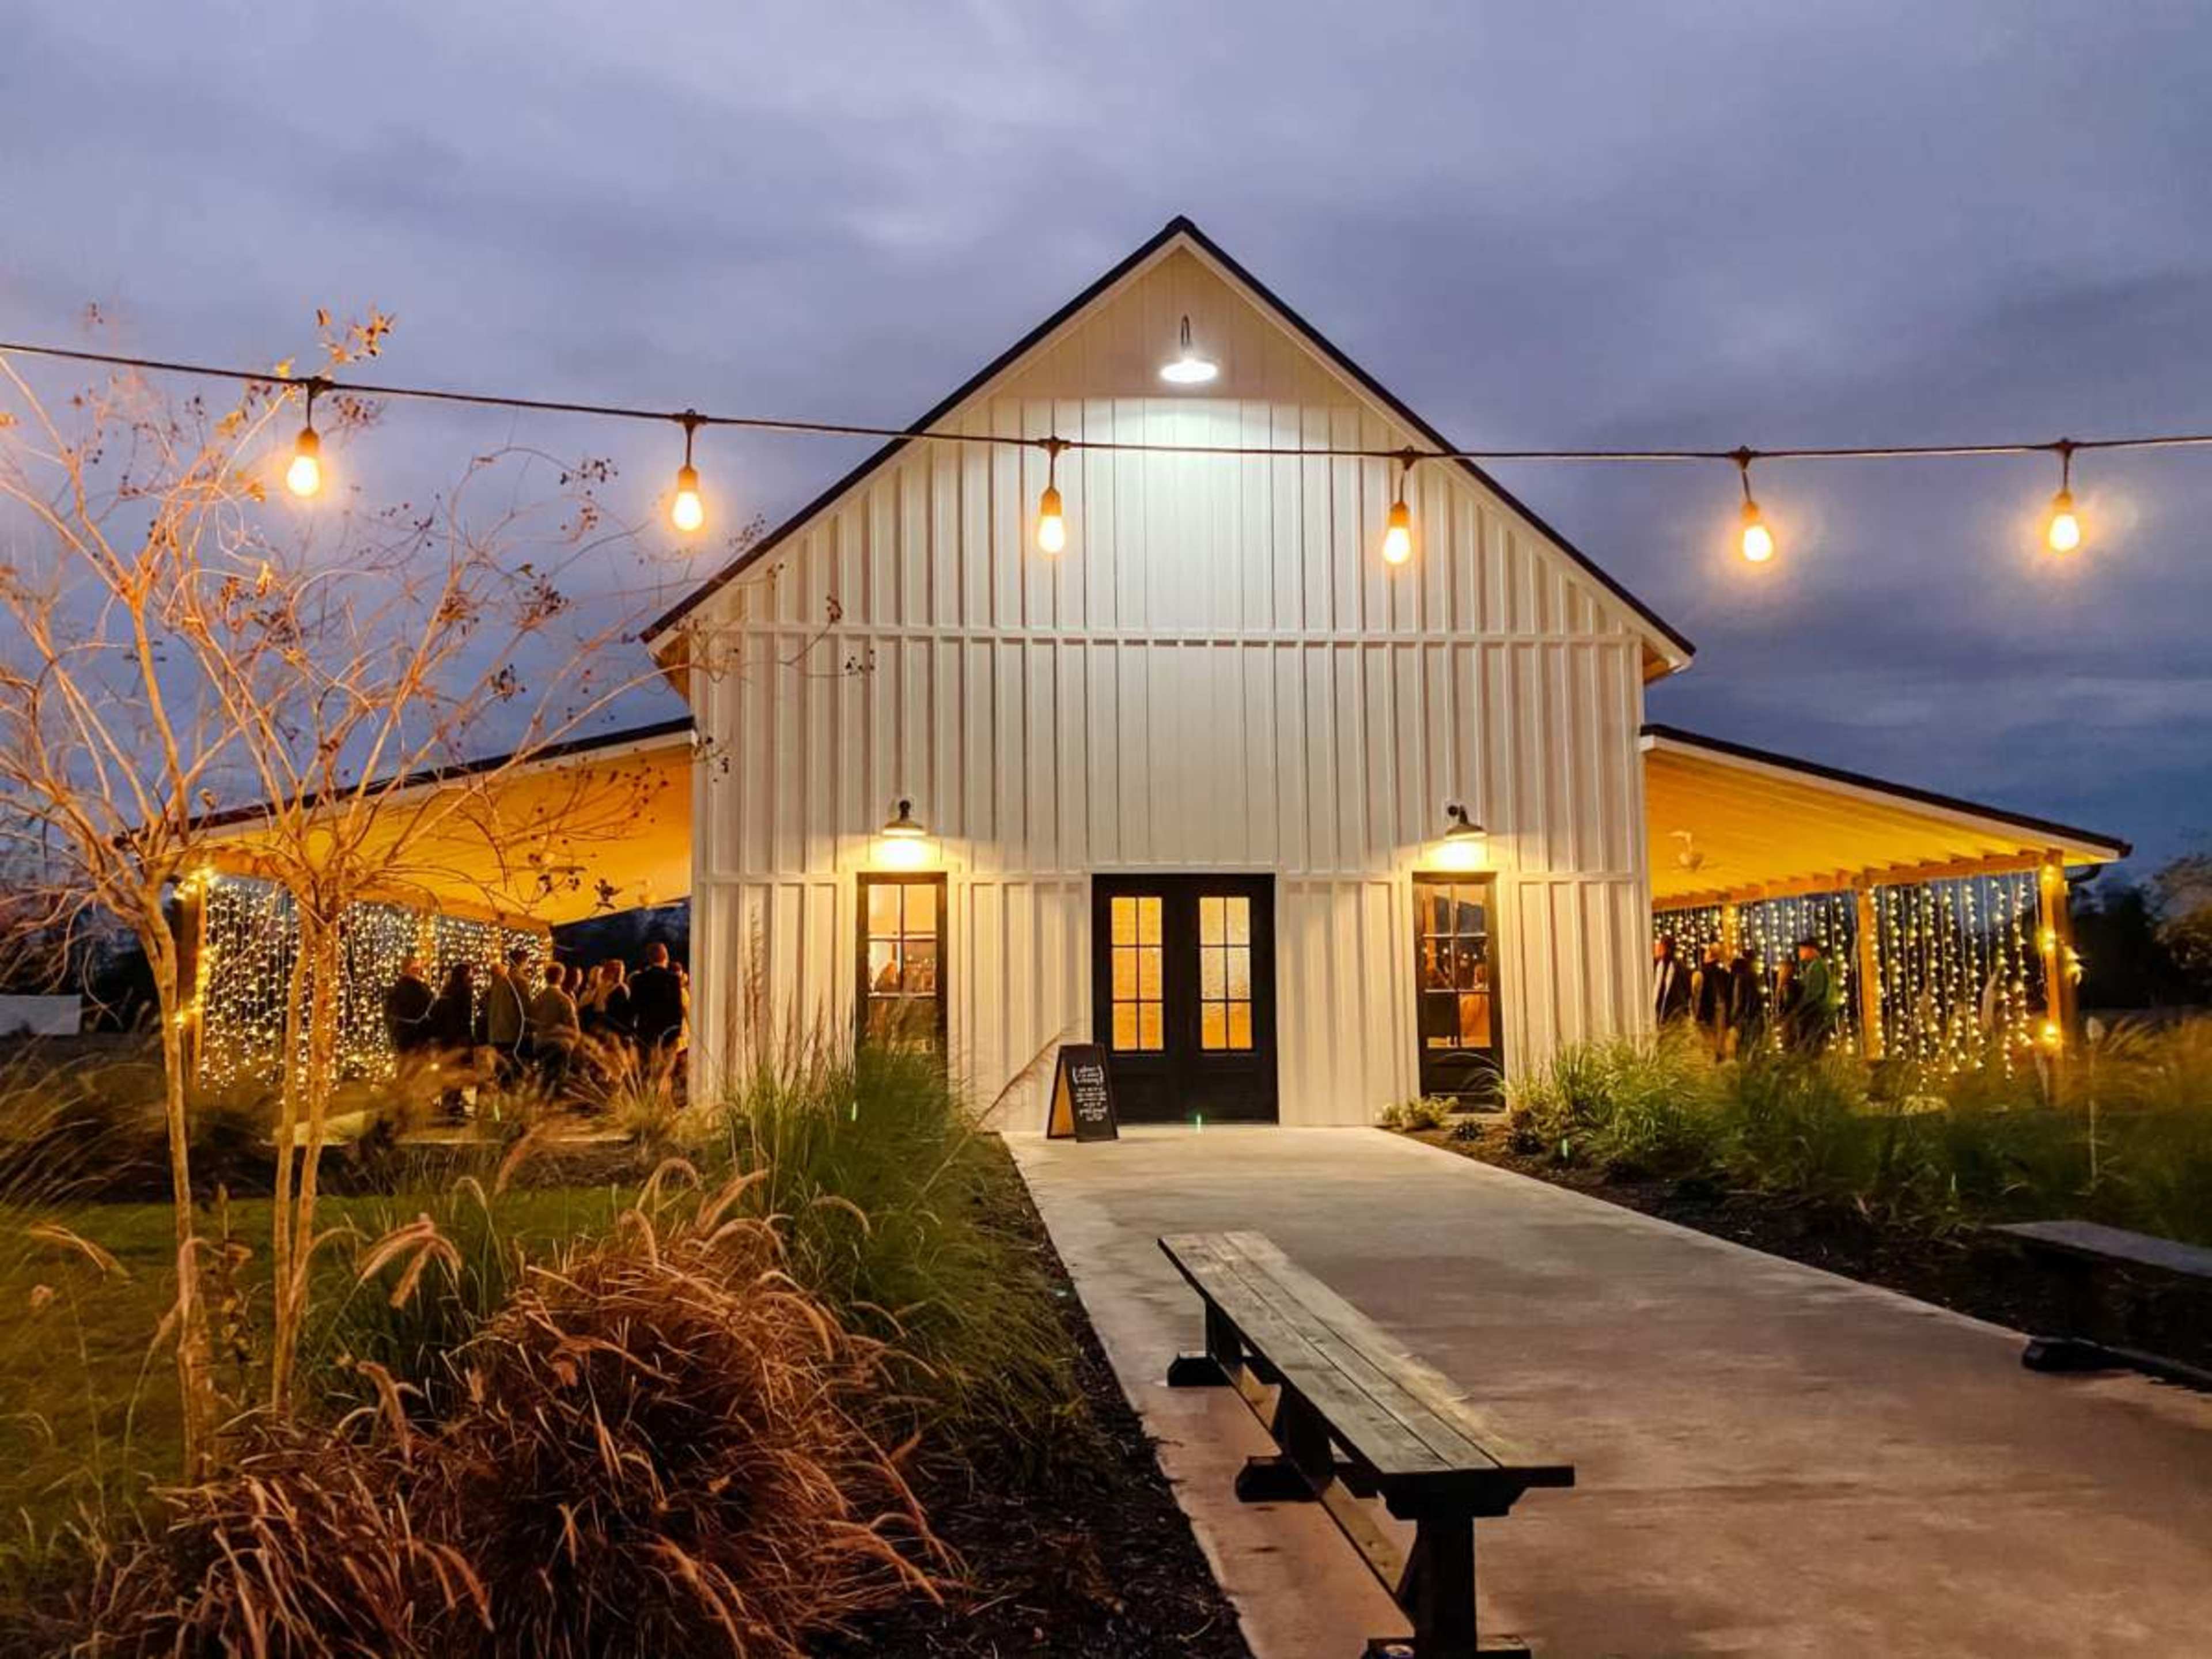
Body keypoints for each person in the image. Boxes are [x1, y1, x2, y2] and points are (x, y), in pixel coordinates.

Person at [424, 961, 476, 1119]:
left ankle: (448, 1103)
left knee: (447, 1071)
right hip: (458, 1037)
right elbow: (466, 1017)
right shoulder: (465, 990)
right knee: (458, 1072)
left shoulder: (446, 991)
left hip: (445, 1039)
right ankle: (454, 1105)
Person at [481, 946, 533, 1085]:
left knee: (502, 1073)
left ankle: (502, 1103)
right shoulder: (520, 981)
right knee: (514, 1075)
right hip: (513, 1034)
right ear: (524, 961)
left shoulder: (499, 981)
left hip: (497, 1033)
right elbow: (526, 1009)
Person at [529, 960, 581, 1093]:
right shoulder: (563, 999)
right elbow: (572, 1025)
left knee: (543, 1079)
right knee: (557, 1081)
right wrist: (574, 1042)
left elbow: (531, 1019)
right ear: (561, 977)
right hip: (559, 1045)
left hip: (541, 1043)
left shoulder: (538, 999)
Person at [628, 941, 685, 1055]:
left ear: (649, 958)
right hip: (667, 1035)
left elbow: (633, 1008)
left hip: (645, 1033)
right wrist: (676, 1034)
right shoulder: (673, 979)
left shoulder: (638, 980)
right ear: (666, 957)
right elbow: (676, 1009)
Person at [1790, 937, 1843, 1055]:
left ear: (1811, 950)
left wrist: (1799, 1009)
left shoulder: (1817, 967)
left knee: (1812, 1047)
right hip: (1818, 1012)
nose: (1800, 953)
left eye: (1802, 950)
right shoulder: (1815, 966)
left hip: (1816, 1013)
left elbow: (1814, 993)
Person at [383, 956, 434, 1058]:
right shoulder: (405, 989)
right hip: (412, 1036)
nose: (419, 972)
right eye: (415, 969)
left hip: (414, 1036)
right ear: (405, 970)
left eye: (420, 969)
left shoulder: (417, 987)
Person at [1691, 941, 1731, 1059]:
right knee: (1720, 1048)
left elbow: (1697, 996)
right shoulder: (1724, 973)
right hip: (1722, 1014)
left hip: (1707, 1014)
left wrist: (1697, 1015)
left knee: (1708, 1049)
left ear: (1710, 954)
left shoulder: (1701, 973)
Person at [1726, 949, 1764, 1057]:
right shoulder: (1752, 977)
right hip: (1752, 1018)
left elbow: (1738, 1001)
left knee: (1743, 1049)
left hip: (1744, 1019)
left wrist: (1733, 1020)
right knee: (1752, 1050)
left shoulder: (1740, 977)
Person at [1652, 934, 1692, 1025]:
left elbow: (1684, 993)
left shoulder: (1676, 968)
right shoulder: (1660, 966)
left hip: (1672, 1016)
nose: (1655, 948)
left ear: (1664, 949)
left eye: (1658, 946)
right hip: (1668, 1015)